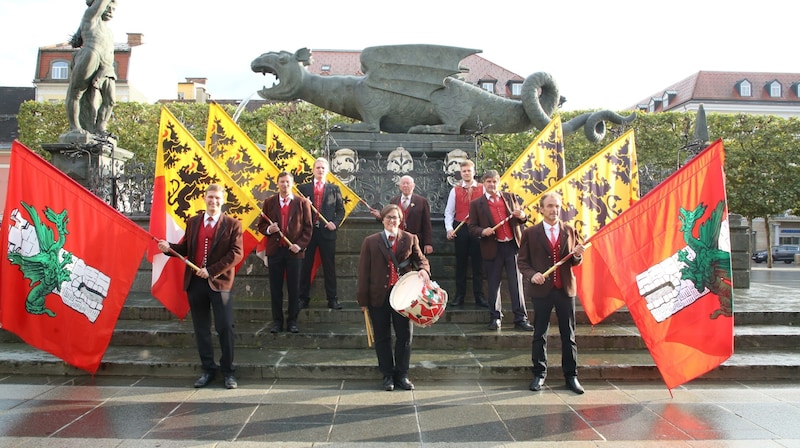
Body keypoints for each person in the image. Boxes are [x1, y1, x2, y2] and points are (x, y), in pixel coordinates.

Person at [157, 184, 244, 389]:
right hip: (195, 284)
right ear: (204, 198)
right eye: (210, 197)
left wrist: (212, 270)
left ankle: (228, 372)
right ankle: (208, 369)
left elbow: (236, 253)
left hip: (220, 284)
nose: (213, 201)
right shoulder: (194, 222)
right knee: (201, 329)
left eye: (217, 198)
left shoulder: (233, 224)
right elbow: (186, 247)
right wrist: (169, 248)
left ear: (223, 201)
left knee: (225, 327)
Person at [517, 192, 586, 394]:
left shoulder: (570, 230)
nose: (554, 210)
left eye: (556, 206)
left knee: (569, 335)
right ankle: (539, 374)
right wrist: (532, 275)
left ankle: (571, 376)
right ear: (541, 209)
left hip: (564, 289)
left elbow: (573, 261)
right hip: (541, 291)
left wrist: (578, 256)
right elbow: (522, 262)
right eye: (549, 206)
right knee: (540, 334)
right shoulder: (530, 233)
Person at [358, 204, 431, 391]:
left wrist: (423, 270)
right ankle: (387, 375)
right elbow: (363, 272)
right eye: (389, 217)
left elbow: (421, 260)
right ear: (382, 219)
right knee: (382, 337)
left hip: (404, 297)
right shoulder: (370, 241)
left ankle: (402, 374)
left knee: (405, 336)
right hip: (378, 296)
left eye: (396, 218)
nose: (392, 221)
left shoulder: (410, 238)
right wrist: (362, 300)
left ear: (401, 220)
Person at [468, 170, 533, 332]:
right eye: (488, 181)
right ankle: (495, 317)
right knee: (493, 284)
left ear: (499, 182)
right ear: (484, 183)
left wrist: (522, 215)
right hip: (492, 247)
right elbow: (472, 227)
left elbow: (522, 219)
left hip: (511, 245)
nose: (492, 184)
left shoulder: (510, 197)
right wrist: (483, 231)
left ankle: (520, 318)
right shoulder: (476, 204)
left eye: (494, 181)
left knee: (516, 283)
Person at [257, 172, 313, 334]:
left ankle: (292, 321)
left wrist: (300, 245)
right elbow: (261, 225)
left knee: (294, 288)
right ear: (278, 183)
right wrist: (269, 229)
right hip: (275, 251)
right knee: (275, 289)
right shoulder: (269, 202)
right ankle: (277, 322)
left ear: (292, 183)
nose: (285, 185)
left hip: (294, 253)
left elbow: (308, 229)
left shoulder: (302, 203)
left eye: (288, 182)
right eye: (282, 182)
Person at [297, 158, 345, 310]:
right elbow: (297, 210)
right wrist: (305, 205)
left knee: (329, 267)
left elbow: (340, 211)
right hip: (308, 233)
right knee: (305, 266)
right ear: (313, 170)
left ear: (327, 170)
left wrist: (335, 223)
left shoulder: (334, 189)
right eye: (318, 168)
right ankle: (302, 298)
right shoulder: (303, 189)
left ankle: (332, 299)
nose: (320, 170)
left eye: (323, 168)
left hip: (327, 233)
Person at [65, 0, 117, 137]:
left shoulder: (109, 32)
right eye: (108, 8)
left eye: (114, 9)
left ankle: (100, 127)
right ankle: (75, 127)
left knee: (110, 99)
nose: (111, 12)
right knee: (76, 93)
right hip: (91, 53)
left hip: (106, 64)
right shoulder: (91, 17)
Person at [444, 159, 487, 307]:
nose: (467, 173)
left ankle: (479, 296)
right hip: (460, 228)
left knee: (478, 264)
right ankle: (459, 296)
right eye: (464, 171)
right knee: (461, 263)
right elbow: (449, 212)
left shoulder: (483, 188)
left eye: (469, 170)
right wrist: (449, 228)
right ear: (460, 173)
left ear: (474, 172)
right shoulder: (454, 190)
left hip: (478, 228)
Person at [370, 175, 433, 255]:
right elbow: (389, 217)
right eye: (403, 183)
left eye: (408, 183)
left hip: (415, 241)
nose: (405, 185)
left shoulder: (422, 201)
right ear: (400, 186)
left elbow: (426, 223)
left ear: (413, 186)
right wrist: (380, 216)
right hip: (396, 239)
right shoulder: (394, 200)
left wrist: (428, 243)